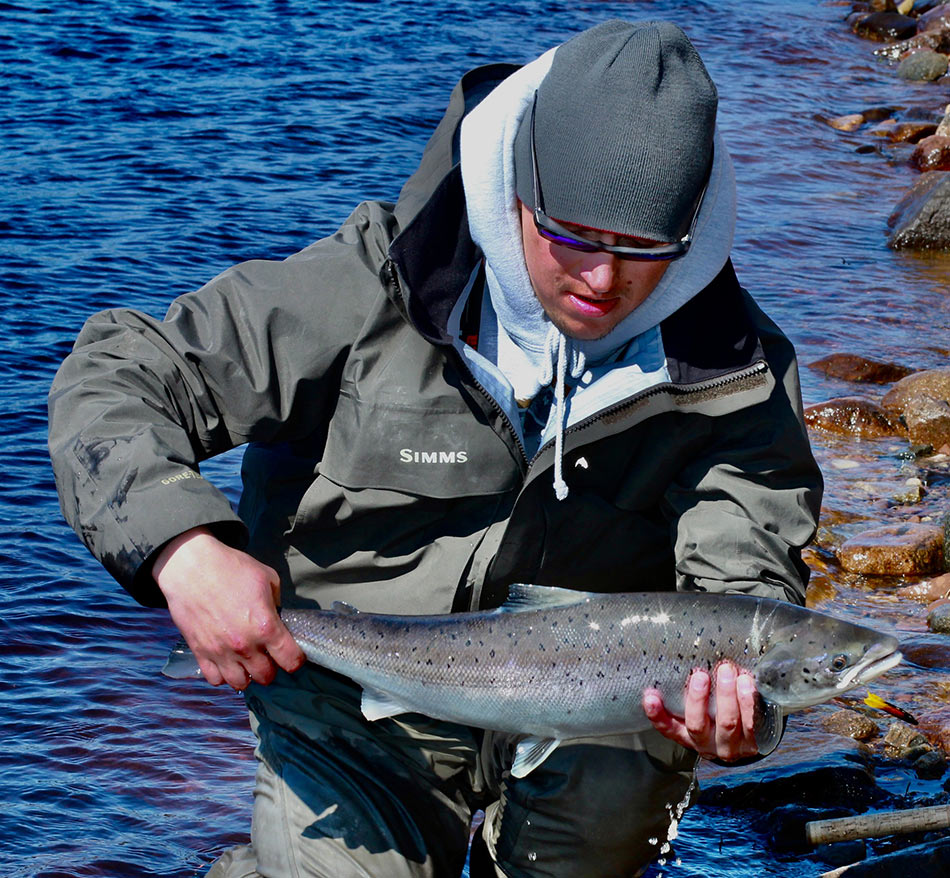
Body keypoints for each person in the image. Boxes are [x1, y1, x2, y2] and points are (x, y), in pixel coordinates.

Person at [48, 19, 822, 878]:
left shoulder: (736, 372)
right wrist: (181, 550)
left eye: (643, 249)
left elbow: (749, 586)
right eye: (570, 234)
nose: (602, 280)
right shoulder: (371, 285)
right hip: (350, 704)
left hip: (598, 716)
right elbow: (117, 374)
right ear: (519, 188)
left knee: (608, 814)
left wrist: (745, 718)